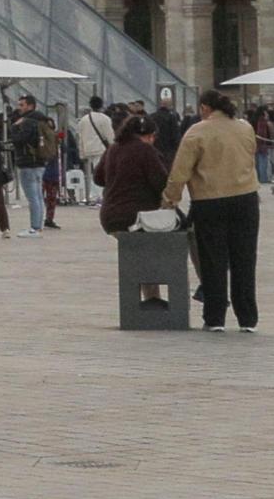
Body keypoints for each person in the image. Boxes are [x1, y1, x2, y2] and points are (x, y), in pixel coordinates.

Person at [161, 90, 259, 333]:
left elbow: (180, 172)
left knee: (213, 260)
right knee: (244, 258)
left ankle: (215, 318)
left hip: (209, 201)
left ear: (204, 108)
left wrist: (170, 200)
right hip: (245, 198)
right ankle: (247, 318)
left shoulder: (197, 132)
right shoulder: (245, 128)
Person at [94, 114, 171, 308]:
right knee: (154, 249)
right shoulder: (146, 150)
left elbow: (98, 178)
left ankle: (149, 298)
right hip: (138, 217)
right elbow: (161, 182)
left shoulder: (112, 149)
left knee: (141, 254)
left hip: (110, 216)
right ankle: (152, 299)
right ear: (149, 136)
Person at [8, 95, 50, 237]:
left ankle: (35, 228)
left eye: (22, 105)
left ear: (30, 106)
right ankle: (39, 226)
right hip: (40, 161)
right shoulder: (42, 119)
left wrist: (14, 127)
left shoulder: (27, 121)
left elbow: (20, 140)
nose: (19, 108)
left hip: (28, 162)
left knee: (33, 197)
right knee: (38, 196)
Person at [74, 96, 114, 207]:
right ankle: (99, 196)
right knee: (100, 172)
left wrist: (81, 152)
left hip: (88, 149)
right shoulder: (105, 119)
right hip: (100, 149)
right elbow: (110, 136)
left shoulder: (84, 120)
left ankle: (92, 196)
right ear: (101, 105)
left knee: (90, 173)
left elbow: (80, 137)